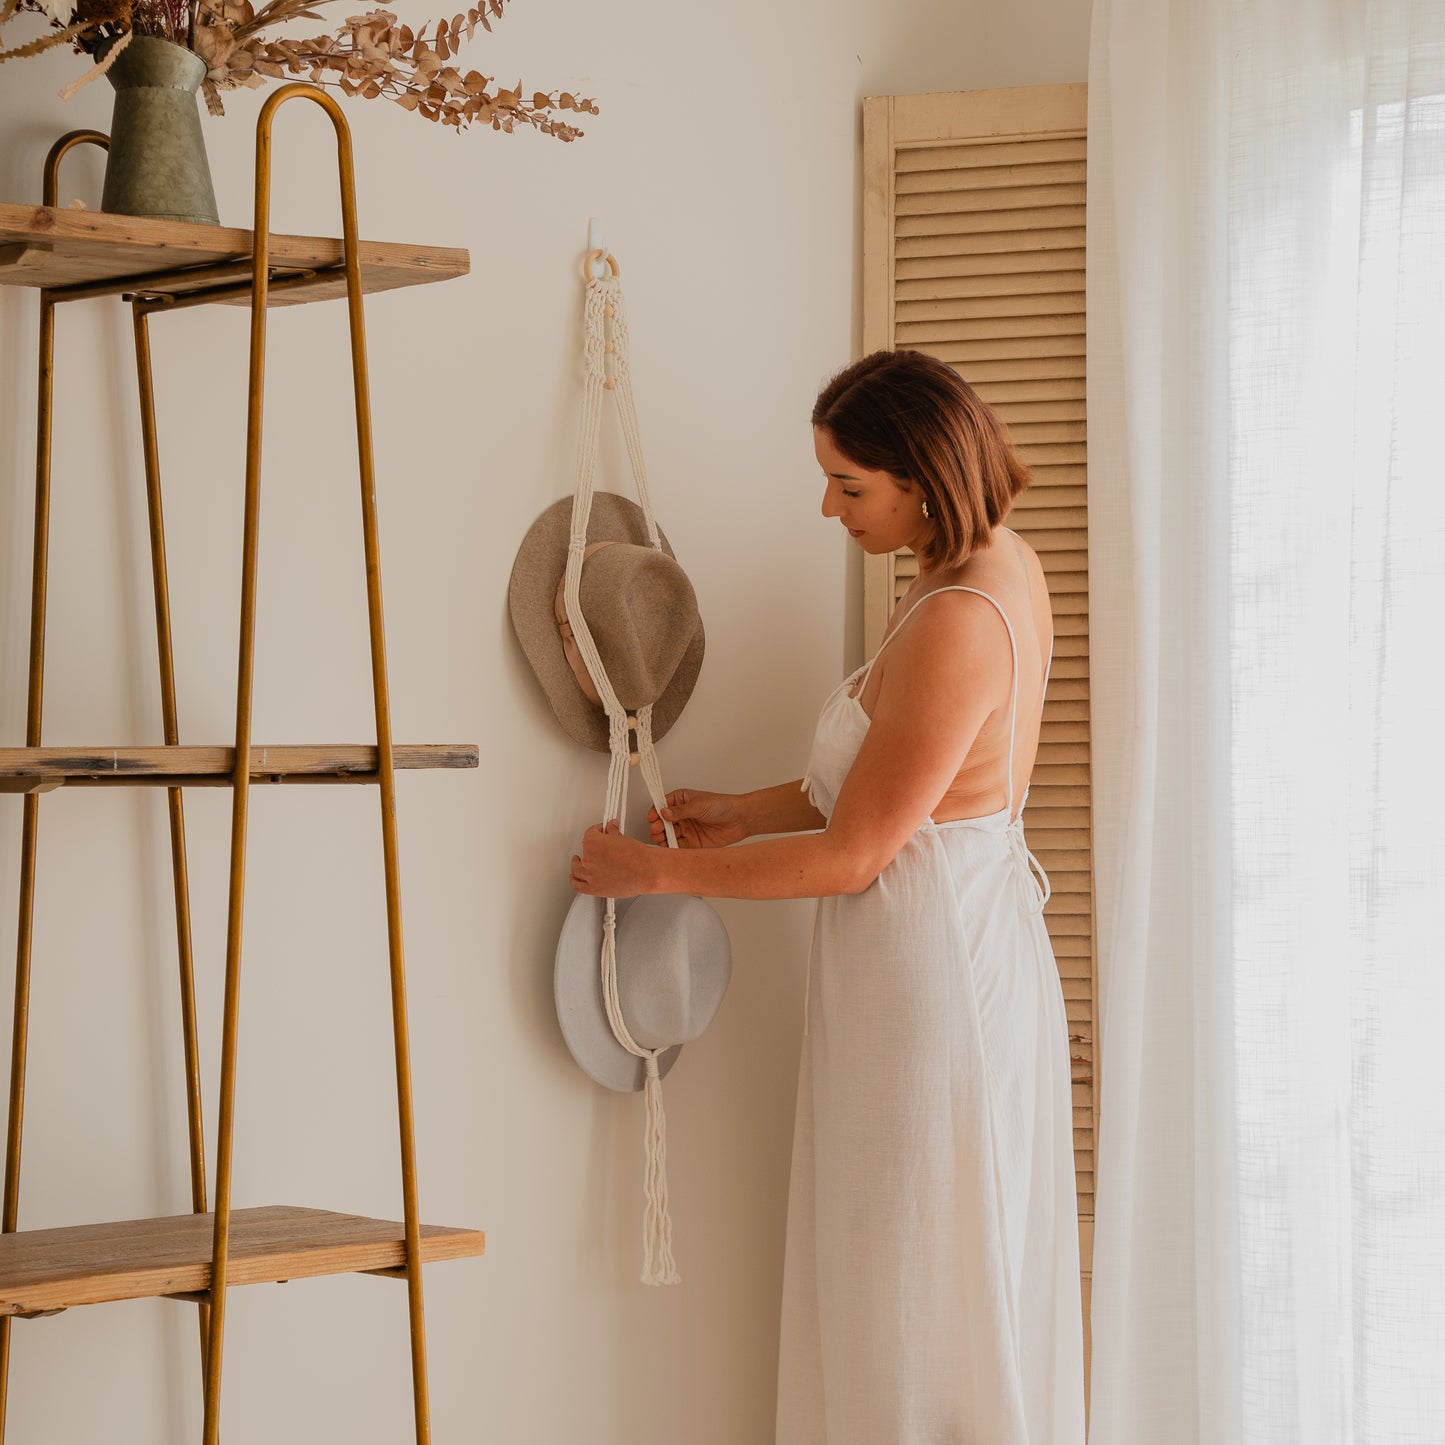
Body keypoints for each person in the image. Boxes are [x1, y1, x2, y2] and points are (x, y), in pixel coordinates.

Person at [569, 348, 1086, 1445]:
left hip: (931, 974)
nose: (826, 506)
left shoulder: (957, 616)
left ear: (924, 476)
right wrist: (747, 811)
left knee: (912, 1275)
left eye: (850, 486)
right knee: (918, 1264)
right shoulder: (980, 567)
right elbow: (909, 793)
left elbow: (858, 854)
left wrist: (653, 869)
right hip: (939, 943)